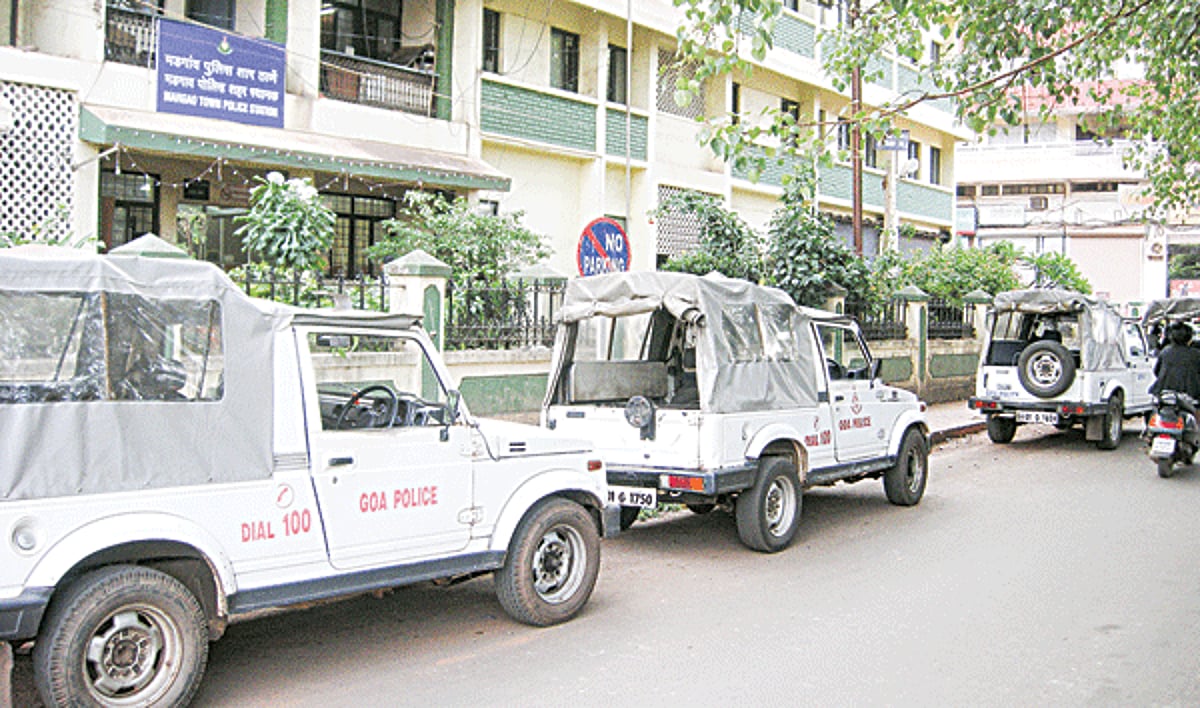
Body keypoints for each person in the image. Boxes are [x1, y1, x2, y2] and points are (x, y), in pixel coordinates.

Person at [1150, 322, 1200, 400]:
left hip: (1163, 392)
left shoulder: (1165, 351)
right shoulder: (1196, 354)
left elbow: (1156, 371)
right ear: (1189, 338)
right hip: (1190, 394)